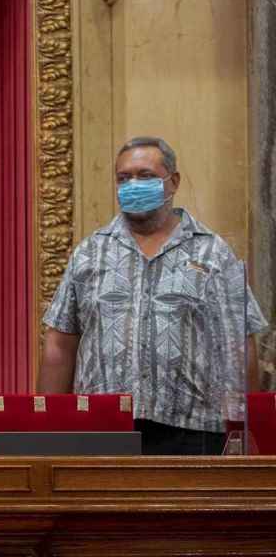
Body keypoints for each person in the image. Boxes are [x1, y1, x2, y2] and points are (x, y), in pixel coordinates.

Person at [40, 136, 269, 455]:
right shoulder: (90, 253)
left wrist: (244, 428)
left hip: (194, 430)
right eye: (124, 178)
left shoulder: (213, 253)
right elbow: (60, 343)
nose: (133, 184)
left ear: (172, 182)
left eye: (145, 176)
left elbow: (238, 344)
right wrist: (49, 426)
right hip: (103, 429)